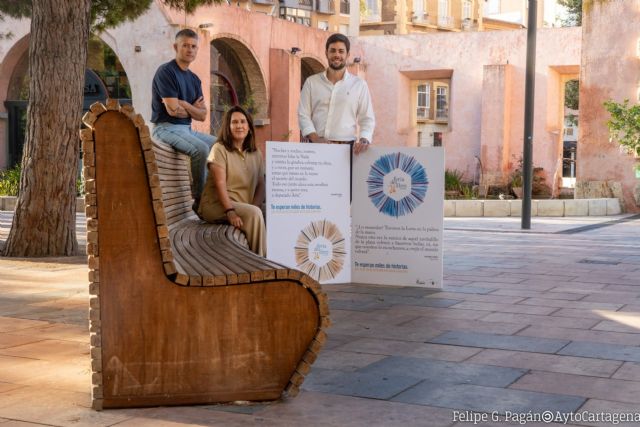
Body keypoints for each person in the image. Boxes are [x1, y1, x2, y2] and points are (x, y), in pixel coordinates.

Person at [151, 29, 215, 211]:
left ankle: (214, 195)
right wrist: (192, 109)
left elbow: (203, 116)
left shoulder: (194, 79)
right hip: (165, 128)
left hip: (186, 130)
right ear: (175, 47)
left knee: (219, 145)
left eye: (193, 46)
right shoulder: (166, 72)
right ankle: (200, 200)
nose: (190, 50)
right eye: (185, 45)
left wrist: (185, 104)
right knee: (201, 149)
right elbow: (172, 111)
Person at [198, 106, 266, 257]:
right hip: (218, 205)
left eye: (243, 122)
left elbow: (261, 185)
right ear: (228, 127)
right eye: (234, 122)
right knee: (255, 214)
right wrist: (230, 212)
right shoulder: (219, 149)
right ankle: (260, 266)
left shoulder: (256, 153)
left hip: (242, 205)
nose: (239, 126)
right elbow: (220, 184)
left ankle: (281, 261)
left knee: (270, 212)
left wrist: (253, 207)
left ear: (249, 127)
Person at [298, 32, 375, 155]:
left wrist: (364, 139)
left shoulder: (359, 85)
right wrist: (315, 138)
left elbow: (367, 118)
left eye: (341, 51)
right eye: (332, 51)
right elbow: (303, 114)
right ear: (326, 53)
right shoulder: (311, 82)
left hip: (347, 152)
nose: (336, 55)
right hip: (316, 148)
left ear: (347, 55)